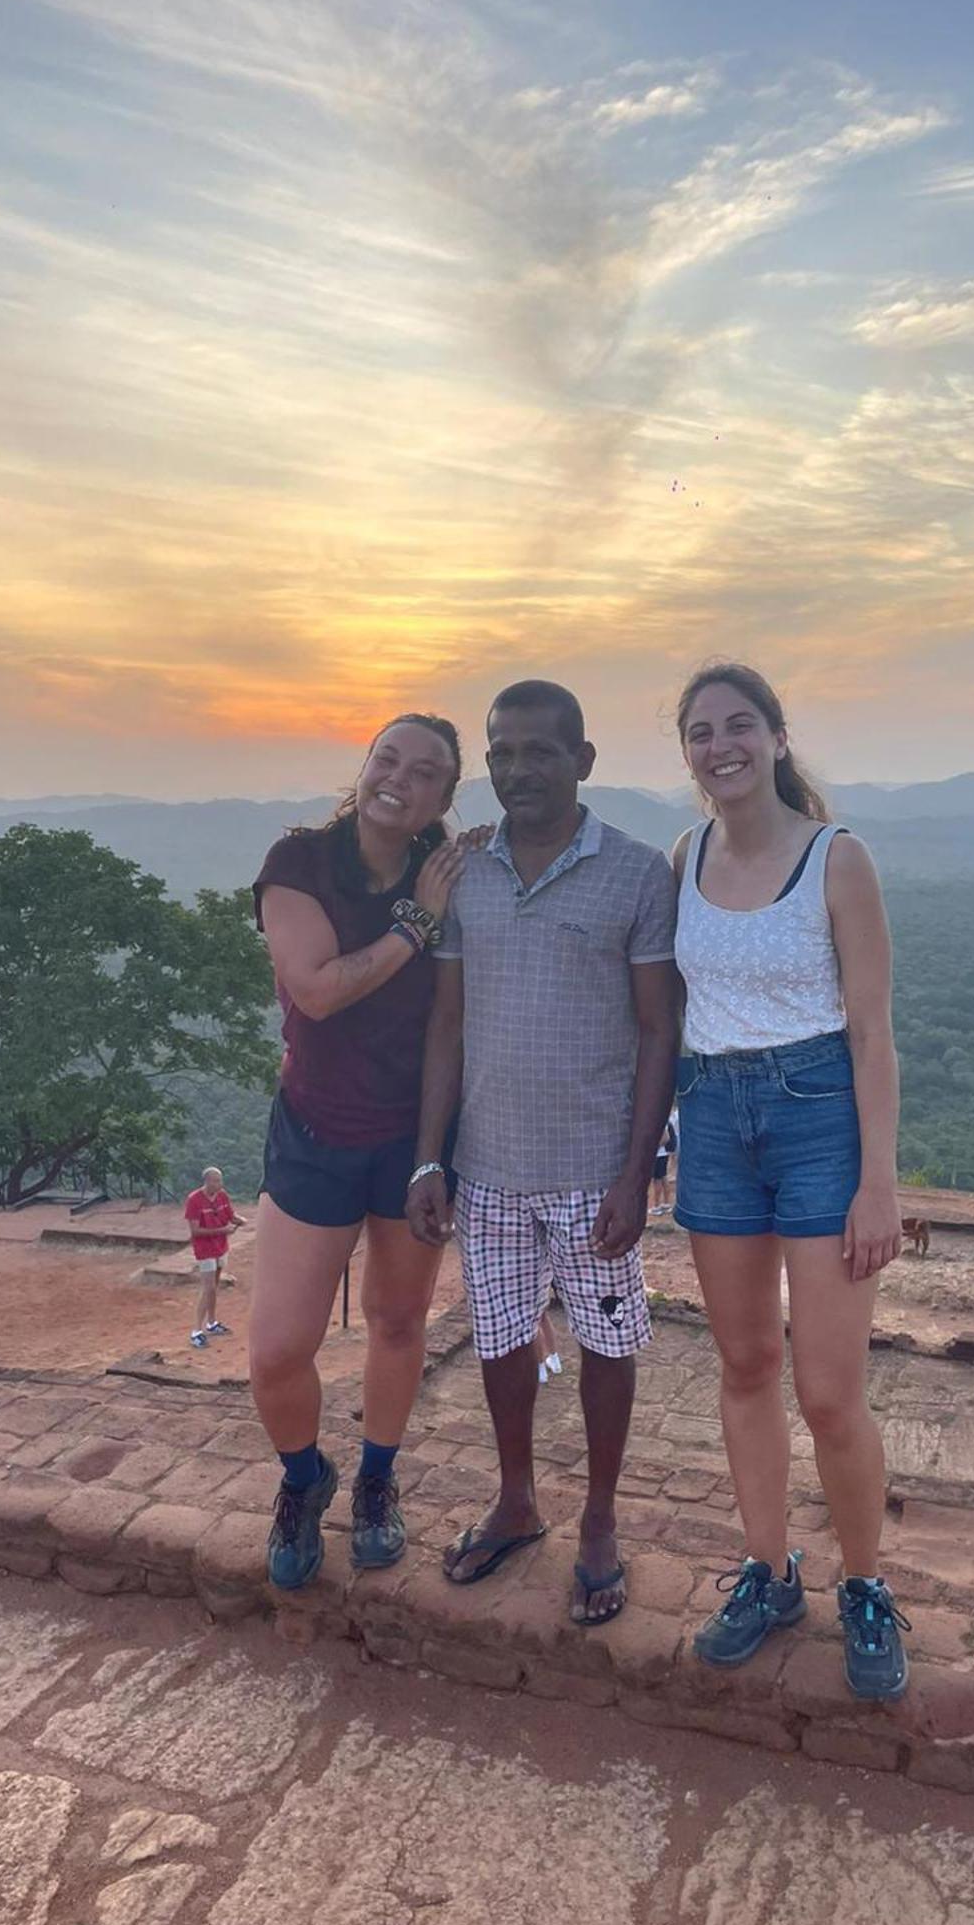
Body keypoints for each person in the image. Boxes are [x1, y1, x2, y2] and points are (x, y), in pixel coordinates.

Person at [408, 680, 679, 1626]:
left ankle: (600, 1517)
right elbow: (446, 1025)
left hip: (590, 1174)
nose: (518, 770)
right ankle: (517, 1498)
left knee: (607, 1341)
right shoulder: (464, 873)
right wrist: (427, 1158)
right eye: (502, 753)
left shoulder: (639, 874)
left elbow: (657, 1031)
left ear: (584, 761)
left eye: (539, 752)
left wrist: (636, 1170)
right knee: (498, 1339)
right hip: (485, 1169)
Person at [671, 661, 909, 1699]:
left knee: (828, 1389)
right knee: (742, 1363)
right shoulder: (684, 854)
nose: (718, 744)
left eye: (736, 725)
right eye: (698, 731)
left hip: (819, 1120)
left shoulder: (834, 857)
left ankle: (864, 1583)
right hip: (714, 1118)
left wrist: (879, 1182)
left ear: (774, 736)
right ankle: (766, 1572)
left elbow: (871, 1031)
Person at [249, 713, 472, 1592]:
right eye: (389, 759)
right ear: (366, 763)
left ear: (443, 799)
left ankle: (377, 1477)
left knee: (397, 1320)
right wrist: (418, 921)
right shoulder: (301, 862)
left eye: (424, 774)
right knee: (275, 1349)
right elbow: (316, 989)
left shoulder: (449, 869)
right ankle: (305, 1478)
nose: (398, 779)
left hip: (413, 1137)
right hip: (314, 1129)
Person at [184, 1166, 244, 1348]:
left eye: (220, 1180)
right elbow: (195, 1230)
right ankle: (196, 1330)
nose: (220, 1184)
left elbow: (230, 1215)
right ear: (207, 1181)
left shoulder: (222, 1196)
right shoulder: (194, 1200)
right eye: (216, 1181)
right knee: (207, 1287)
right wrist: (222, 1230)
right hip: (205, 1249)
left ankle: (212, 1322)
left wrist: (239, 1221)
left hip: (220, 1247)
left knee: (214, 1286)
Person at [649, 1116, 678, 1216]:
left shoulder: (659, 1120)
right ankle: (666, 1203)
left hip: (658, 1154)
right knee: (663, 1177)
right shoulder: (662, 1120)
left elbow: (666, 1137)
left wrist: (654, 1147)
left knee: (657, 1180)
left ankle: (657, 1206)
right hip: (662, 1154)